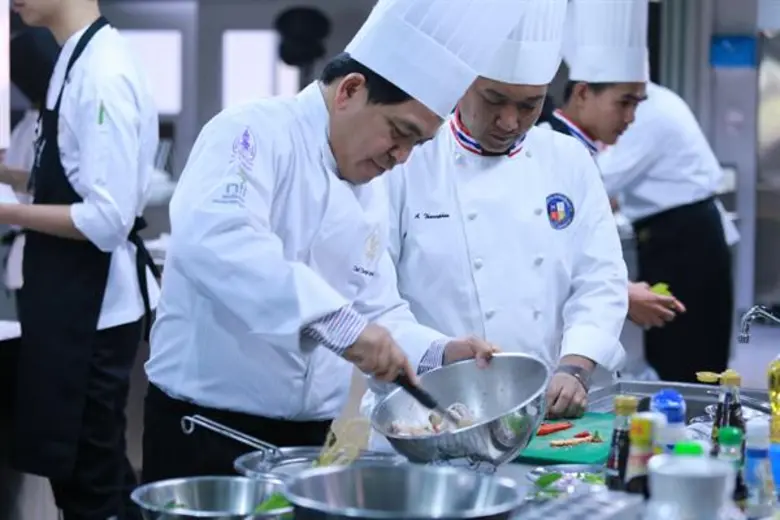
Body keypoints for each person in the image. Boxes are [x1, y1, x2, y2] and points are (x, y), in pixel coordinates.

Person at [141, 0, 528, 483]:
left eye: (417, 145)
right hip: (209, 432)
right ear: (350, 90)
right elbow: (215, 238)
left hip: (311, 442)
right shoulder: (252, 131)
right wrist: (342, 326)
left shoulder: (372, 184)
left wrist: (442, 352)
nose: (401, 157)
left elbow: (376, 309)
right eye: (399, 133)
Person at [360, 0, 632, 453]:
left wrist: (576, 366)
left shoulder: (567, 160)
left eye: (530, 105)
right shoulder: (408, 160)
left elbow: (601, 279)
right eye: (494, 100)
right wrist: (443, 353)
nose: (510, 122)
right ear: (462, 83)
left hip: (539, 417)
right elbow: (372, 299)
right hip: (425, 413)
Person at [5, 0, 161, 518]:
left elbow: (106, 219)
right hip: (68, 300)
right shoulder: (76, 60)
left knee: (91, 482)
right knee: (78, 473)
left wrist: (7, 211)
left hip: (93, 310)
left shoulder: (103, 73)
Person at [536, 0, 686, 378]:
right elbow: (539, 258)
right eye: (624, 102)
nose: (632, 118)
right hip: (546, 353)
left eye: (638, 104)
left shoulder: (584, 152)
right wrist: (622, 295)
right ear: (583, 93)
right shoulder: (546, 149)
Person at [597, 81, 739, 383]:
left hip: (685, 240)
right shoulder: (652, 101)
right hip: (678, 233)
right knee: (676, 348)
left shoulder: (646, 111)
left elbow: (600, 182)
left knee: (689, 354)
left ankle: (691, 425)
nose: (626, 116)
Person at [3, 28, 60, 307]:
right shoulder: (27, 123)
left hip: (45, 254)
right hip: (25, 252)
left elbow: (51, 185)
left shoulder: (55, 125)